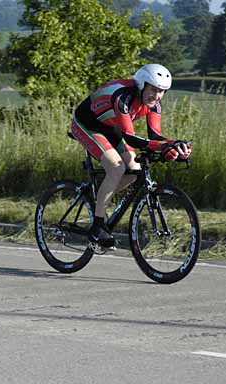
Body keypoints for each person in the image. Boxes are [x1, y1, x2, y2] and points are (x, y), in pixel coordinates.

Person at [70, 63, 192, 248]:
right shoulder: (123, 96)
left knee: (134, 170)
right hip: (87, 124)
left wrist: (175, 145)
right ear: (142, 85)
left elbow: (155, 137)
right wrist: (164, 145)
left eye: (162, 91)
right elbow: (130, 137)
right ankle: (97, 225)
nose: (157, 96)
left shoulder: (154, 105)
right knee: (117, 167)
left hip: (111, 128)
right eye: (153, 89)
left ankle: (101, 199)